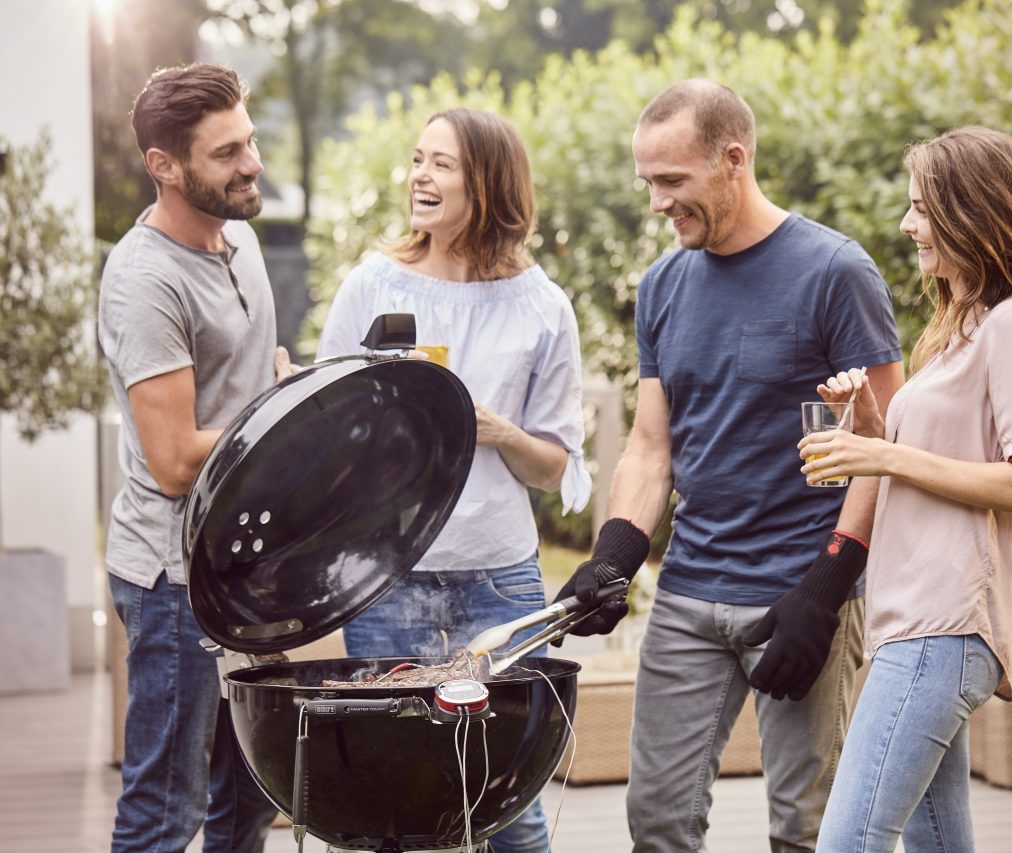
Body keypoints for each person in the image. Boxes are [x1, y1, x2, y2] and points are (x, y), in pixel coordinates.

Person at [555, 79, 905, 852]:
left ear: (733, 160)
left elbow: (890, 449)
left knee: (808, 828)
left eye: (672, 181)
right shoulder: (663, 284)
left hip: (802, 591)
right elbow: (652, 445)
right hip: (689, 595)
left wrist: (827, 587)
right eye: (647, 182)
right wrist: (615, 553)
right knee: (657, 821)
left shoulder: (835, 272)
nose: (656, 203)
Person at [803, 126, 1012, 852]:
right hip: (917, 622)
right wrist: (872, 429)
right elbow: (939, 456)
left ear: (975, 212)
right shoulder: (960, 329)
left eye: (921, 209)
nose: (907, 226)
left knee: (847, 841)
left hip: (945, 622)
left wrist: (887, 458)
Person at [315, 107, 591, 853]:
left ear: (488, 183)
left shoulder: (543, 306)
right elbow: (325, 435)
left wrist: (496, 431)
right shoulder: (370, 286)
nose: (419, 177)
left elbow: (557, 466)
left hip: (499, 583)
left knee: (510, 801)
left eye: (441, 164)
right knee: (395, 793)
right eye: (416, 159)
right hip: (389, 575)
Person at [98, 64, 295, 853]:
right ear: (164, 167)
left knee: (249, 804)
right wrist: (292, 412)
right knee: (165, 813)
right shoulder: (143, 280)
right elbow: (176, 458)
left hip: (253, 566)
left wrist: (281, 388)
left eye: (248, 140)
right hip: (176, 579)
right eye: (226, 153)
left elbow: (242, 390)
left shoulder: (240, 239)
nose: (251, 163)